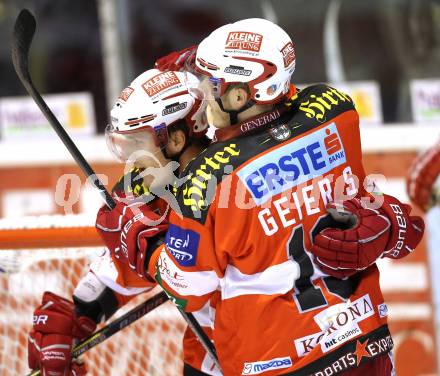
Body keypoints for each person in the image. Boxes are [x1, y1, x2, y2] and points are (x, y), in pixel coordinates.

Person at [95, 18, 425, 375]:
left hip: (276, 364)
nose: (205, 95)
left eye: (212, 84)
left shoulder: (206, 179)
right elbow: (292, 105)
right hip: (365, 348)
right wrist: (218, 58)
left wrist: (145, 245)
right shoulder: (335, 111)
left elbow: (188, 287)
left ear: (239, 95)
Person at [27, 68, 219, 376]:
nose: (130, 159)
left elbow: (195, 282)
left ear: (177, 138)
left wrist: (154, 248)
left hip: (276, 352)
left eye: (138, 143)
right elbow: (122, 269)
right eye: (124, 145)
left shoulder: (232, 182)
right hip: (211, 359)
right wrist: (77, 318)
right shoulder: (158, 188)